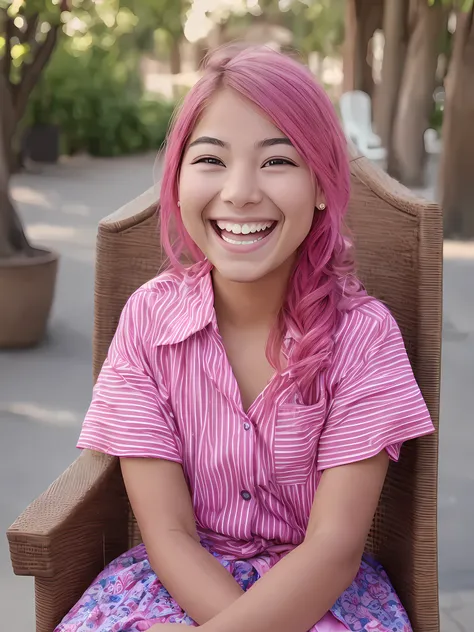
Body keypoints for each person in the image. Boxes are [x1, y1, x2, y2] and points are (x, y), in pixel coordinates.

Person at [56, 45, 435, 632]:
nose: (239, 192)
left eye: (277, 161)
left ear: (320, 184)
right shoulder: (149, 322)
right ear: (177, 178)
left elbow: (332, 550)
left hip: (316, 596)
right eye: (210, 159)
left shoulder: (364, 338)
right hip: (175, 583)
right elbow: (169, 532)